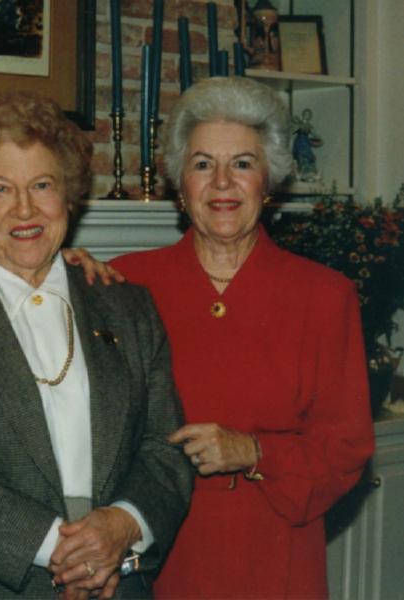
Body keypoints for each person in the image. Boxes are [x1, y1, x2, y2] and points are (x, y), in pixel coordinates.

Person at [0, 90, 193, 599]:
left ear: (68, 195)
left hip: (120, 581)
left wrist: (122, 525)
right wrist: (61, 548)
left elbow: (166, 448)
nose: (24, 208)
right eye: (0, 188)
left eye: (42, 185)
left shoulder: (128, 308)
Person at [110, 76, 375, 599]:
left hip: (274, 559)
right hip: (158, 561)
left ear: (268, 182)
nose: (223, 183)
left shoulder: (324, 296)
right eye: (204, 164)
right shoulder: (125, 284)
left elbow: (347, 449)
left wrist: (253, 451)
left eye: (243, 164)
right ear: (181, 184)